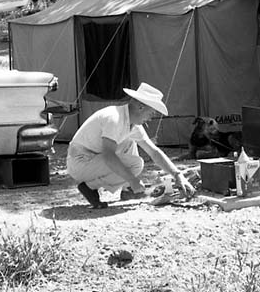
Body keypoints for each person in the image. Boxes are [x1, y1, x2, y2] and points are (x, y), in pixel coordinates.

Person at [65, 82, 195, 209]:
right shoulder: (114, 118)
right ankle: (90, 187)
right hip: (80, 161)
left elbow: (153, 152)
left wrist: (177, 175)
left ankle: (127, 190)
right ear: (140, 107)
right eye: (151, 113)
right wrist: (133, 180)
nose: (151, 118)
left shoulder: (131, 122)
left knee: (130, 142)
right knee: (136, 164)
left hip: (90, 159)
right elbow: (108, 156)